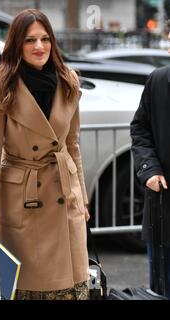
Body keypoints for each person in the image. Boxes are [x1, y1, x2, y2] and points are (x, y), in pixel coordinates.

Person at [0, 9, 90, 300]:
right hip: (24, 202)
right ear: (16, 45)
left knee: (71, 287)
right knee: (27, 287)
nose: (39, 47)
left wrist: (82, 198)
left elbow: (72, 145)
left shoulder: (68, 81)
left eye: (45, 39)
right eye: (30, 40)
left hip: (65, 197)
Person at [130, 32, 170, 299]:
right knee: (162, 288)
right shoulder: (158, 80)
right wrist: (150, 170)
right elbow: (140, 128)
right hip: (164, 208)